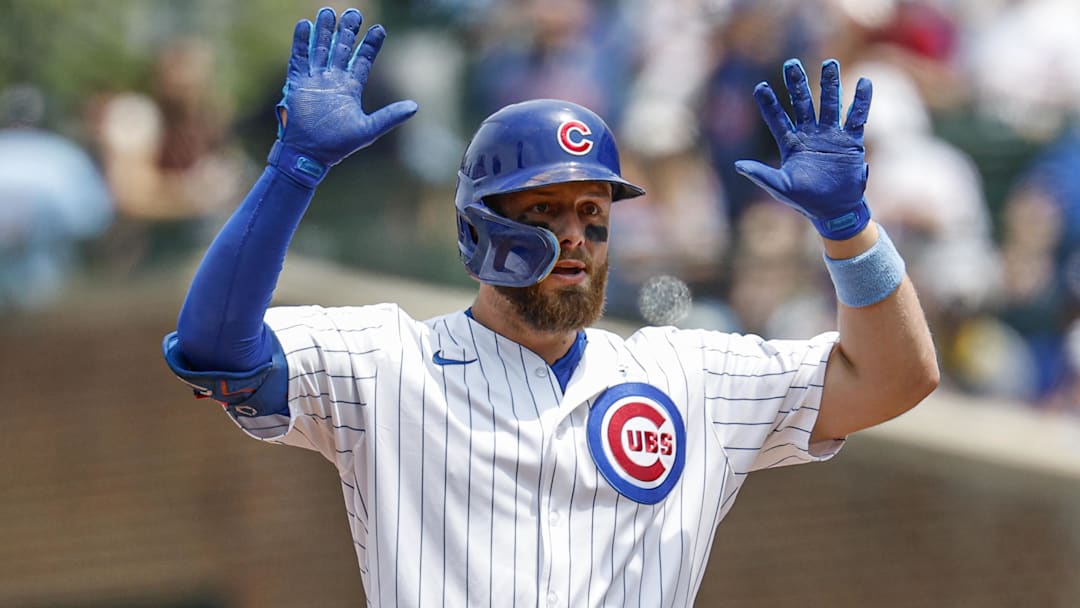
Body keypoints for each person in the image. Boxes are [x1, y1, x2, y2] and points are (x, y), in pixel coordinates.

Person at [162, 7, 939, 606]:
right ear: (474, 234)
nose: (576, 238)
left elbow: (895, 378)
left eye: (593, 217)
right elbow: (216, 347)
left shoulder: (687, 372)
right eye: (544, 213)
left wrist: (849, 230)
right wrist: (293, 169)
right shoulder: (384, 360)